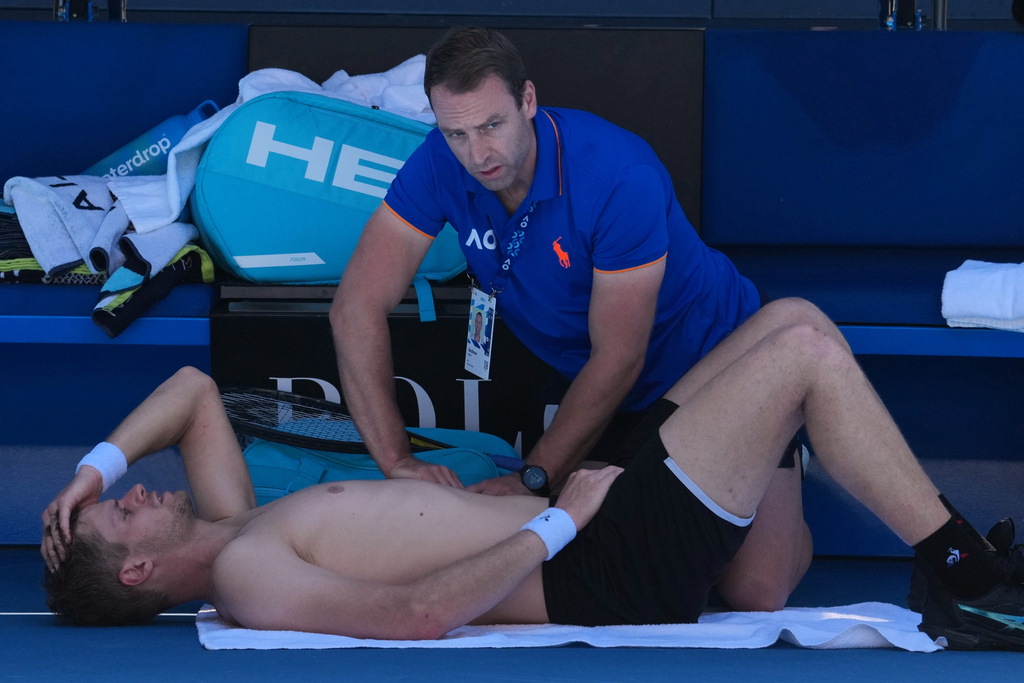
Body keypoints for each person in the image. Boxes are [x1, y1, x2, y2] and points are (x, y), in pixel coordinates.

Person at [41, 300, 1024, 650]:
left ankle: (754, 560)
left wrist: (88, 472)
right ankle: (968, 578)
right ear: (136, 574)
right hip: (596, 560)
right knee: (804, 349)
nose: (131, 494)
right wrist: (558, 524)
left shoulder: (232, 518)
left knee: (784, 314)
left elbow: (190, 389)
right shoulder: (249, 576)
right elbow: (415, 617)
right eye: (118, 517)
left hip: (595, 523)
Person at [330, 26, 809, 612]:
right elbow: (355, 307)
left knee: (755, 592)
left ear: (527, 101)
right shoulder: (440, 161)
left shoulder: (616, 175)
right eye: (456, 132)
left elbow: (620, 357)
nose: (477, 153)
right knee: (563, 549)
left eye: (492, 125)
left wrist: (534, 476)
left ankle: (781, 439)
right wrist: (397, 461)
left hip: (714, 363)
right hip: (608, 392)